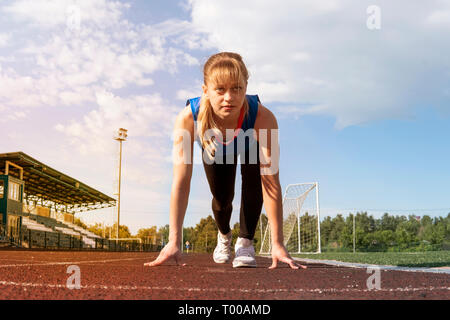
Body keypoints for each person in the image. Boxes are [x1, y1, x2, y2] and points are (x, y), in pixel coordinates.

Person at [144, 52, 306, 269]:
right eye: (220, 89)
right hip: (214, 146)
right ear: (206, 91)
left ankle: (246, 242)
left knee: (255, 183)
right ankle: (224, 235)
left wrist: (277, 242)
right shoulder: (188, 118)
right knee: (222, 199)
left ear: (245, 89)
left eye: (236, 88)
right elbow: (181, 183)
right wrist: (174, 241)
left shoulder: (263, 118)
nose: (229, 97)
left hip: (249, 143)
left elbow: (271, 184)